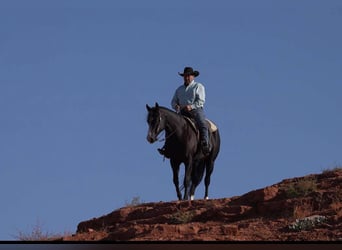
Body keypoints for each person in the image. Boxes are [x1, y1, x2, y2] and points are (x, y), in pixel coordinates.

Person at [170, 66, 210, 155]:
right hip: (182, 112)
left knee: (203, 124)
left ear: (193, 76)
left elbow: (201, 101)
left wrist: (191, 106)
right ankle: (168, 146)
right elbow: (173, 101)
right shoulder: (179, 89)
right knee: (171, 125)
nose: (187, 78)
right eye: (185, 76)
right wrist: (176, 106)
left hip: (195, 110)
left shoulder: (198, 86)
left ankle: (205, 144)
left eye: (188, 76)